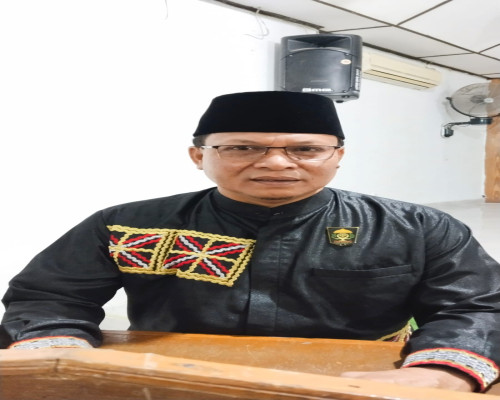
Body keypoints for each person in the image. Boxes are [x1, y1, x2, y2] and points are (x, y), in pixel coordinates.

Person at [2, 91, 500, 393]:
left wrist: (444, 371)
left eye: (305, 149)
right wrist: (57, 351)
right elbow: (50, 295)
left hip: (355, 384)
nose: (277, 163)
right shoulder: (127, 224)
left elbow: (478, 306)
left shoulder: (417, 228)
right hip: (172, 379)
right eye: (242, 147)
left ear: (337, 156)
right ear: (198, 156)